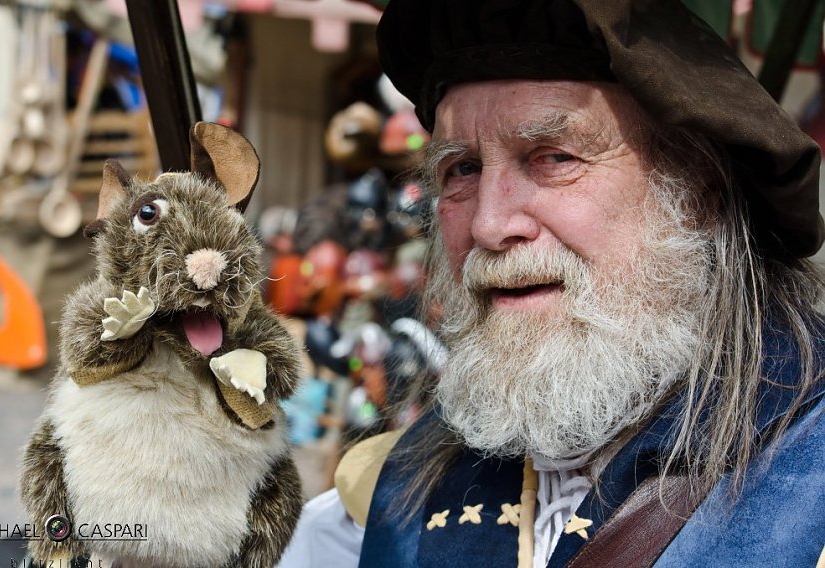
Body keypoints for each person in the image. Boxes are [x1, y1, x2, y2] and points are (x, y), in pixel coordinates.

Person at [278, 1, 825, 566]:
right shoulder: (390, 494)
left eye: (553, 157)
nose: (490, 224)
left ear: (698, 194)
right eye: (462, 169)